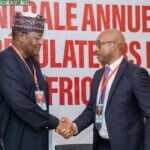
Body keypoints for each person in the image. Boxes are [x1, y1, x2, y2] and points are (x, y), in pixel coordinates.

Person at [57, 29, 150, 150]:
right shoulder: (98, 75)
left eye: (99, 44)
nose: (95, 49)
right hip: (101, 144)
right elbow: (92, 109)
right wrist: (73, 127)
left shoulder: (135, 74)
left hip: (128, 145)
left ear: (114, 45)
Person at [0, 12, 70, 150]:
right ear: (21, 37)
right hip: (16, 141)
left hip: (38, 137)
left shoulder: (33, 62)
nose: (41, 42)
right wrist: (55, 123)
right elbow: (19, 103)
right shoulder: (5, 61)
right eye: (37, 38)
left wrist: (52, 123)